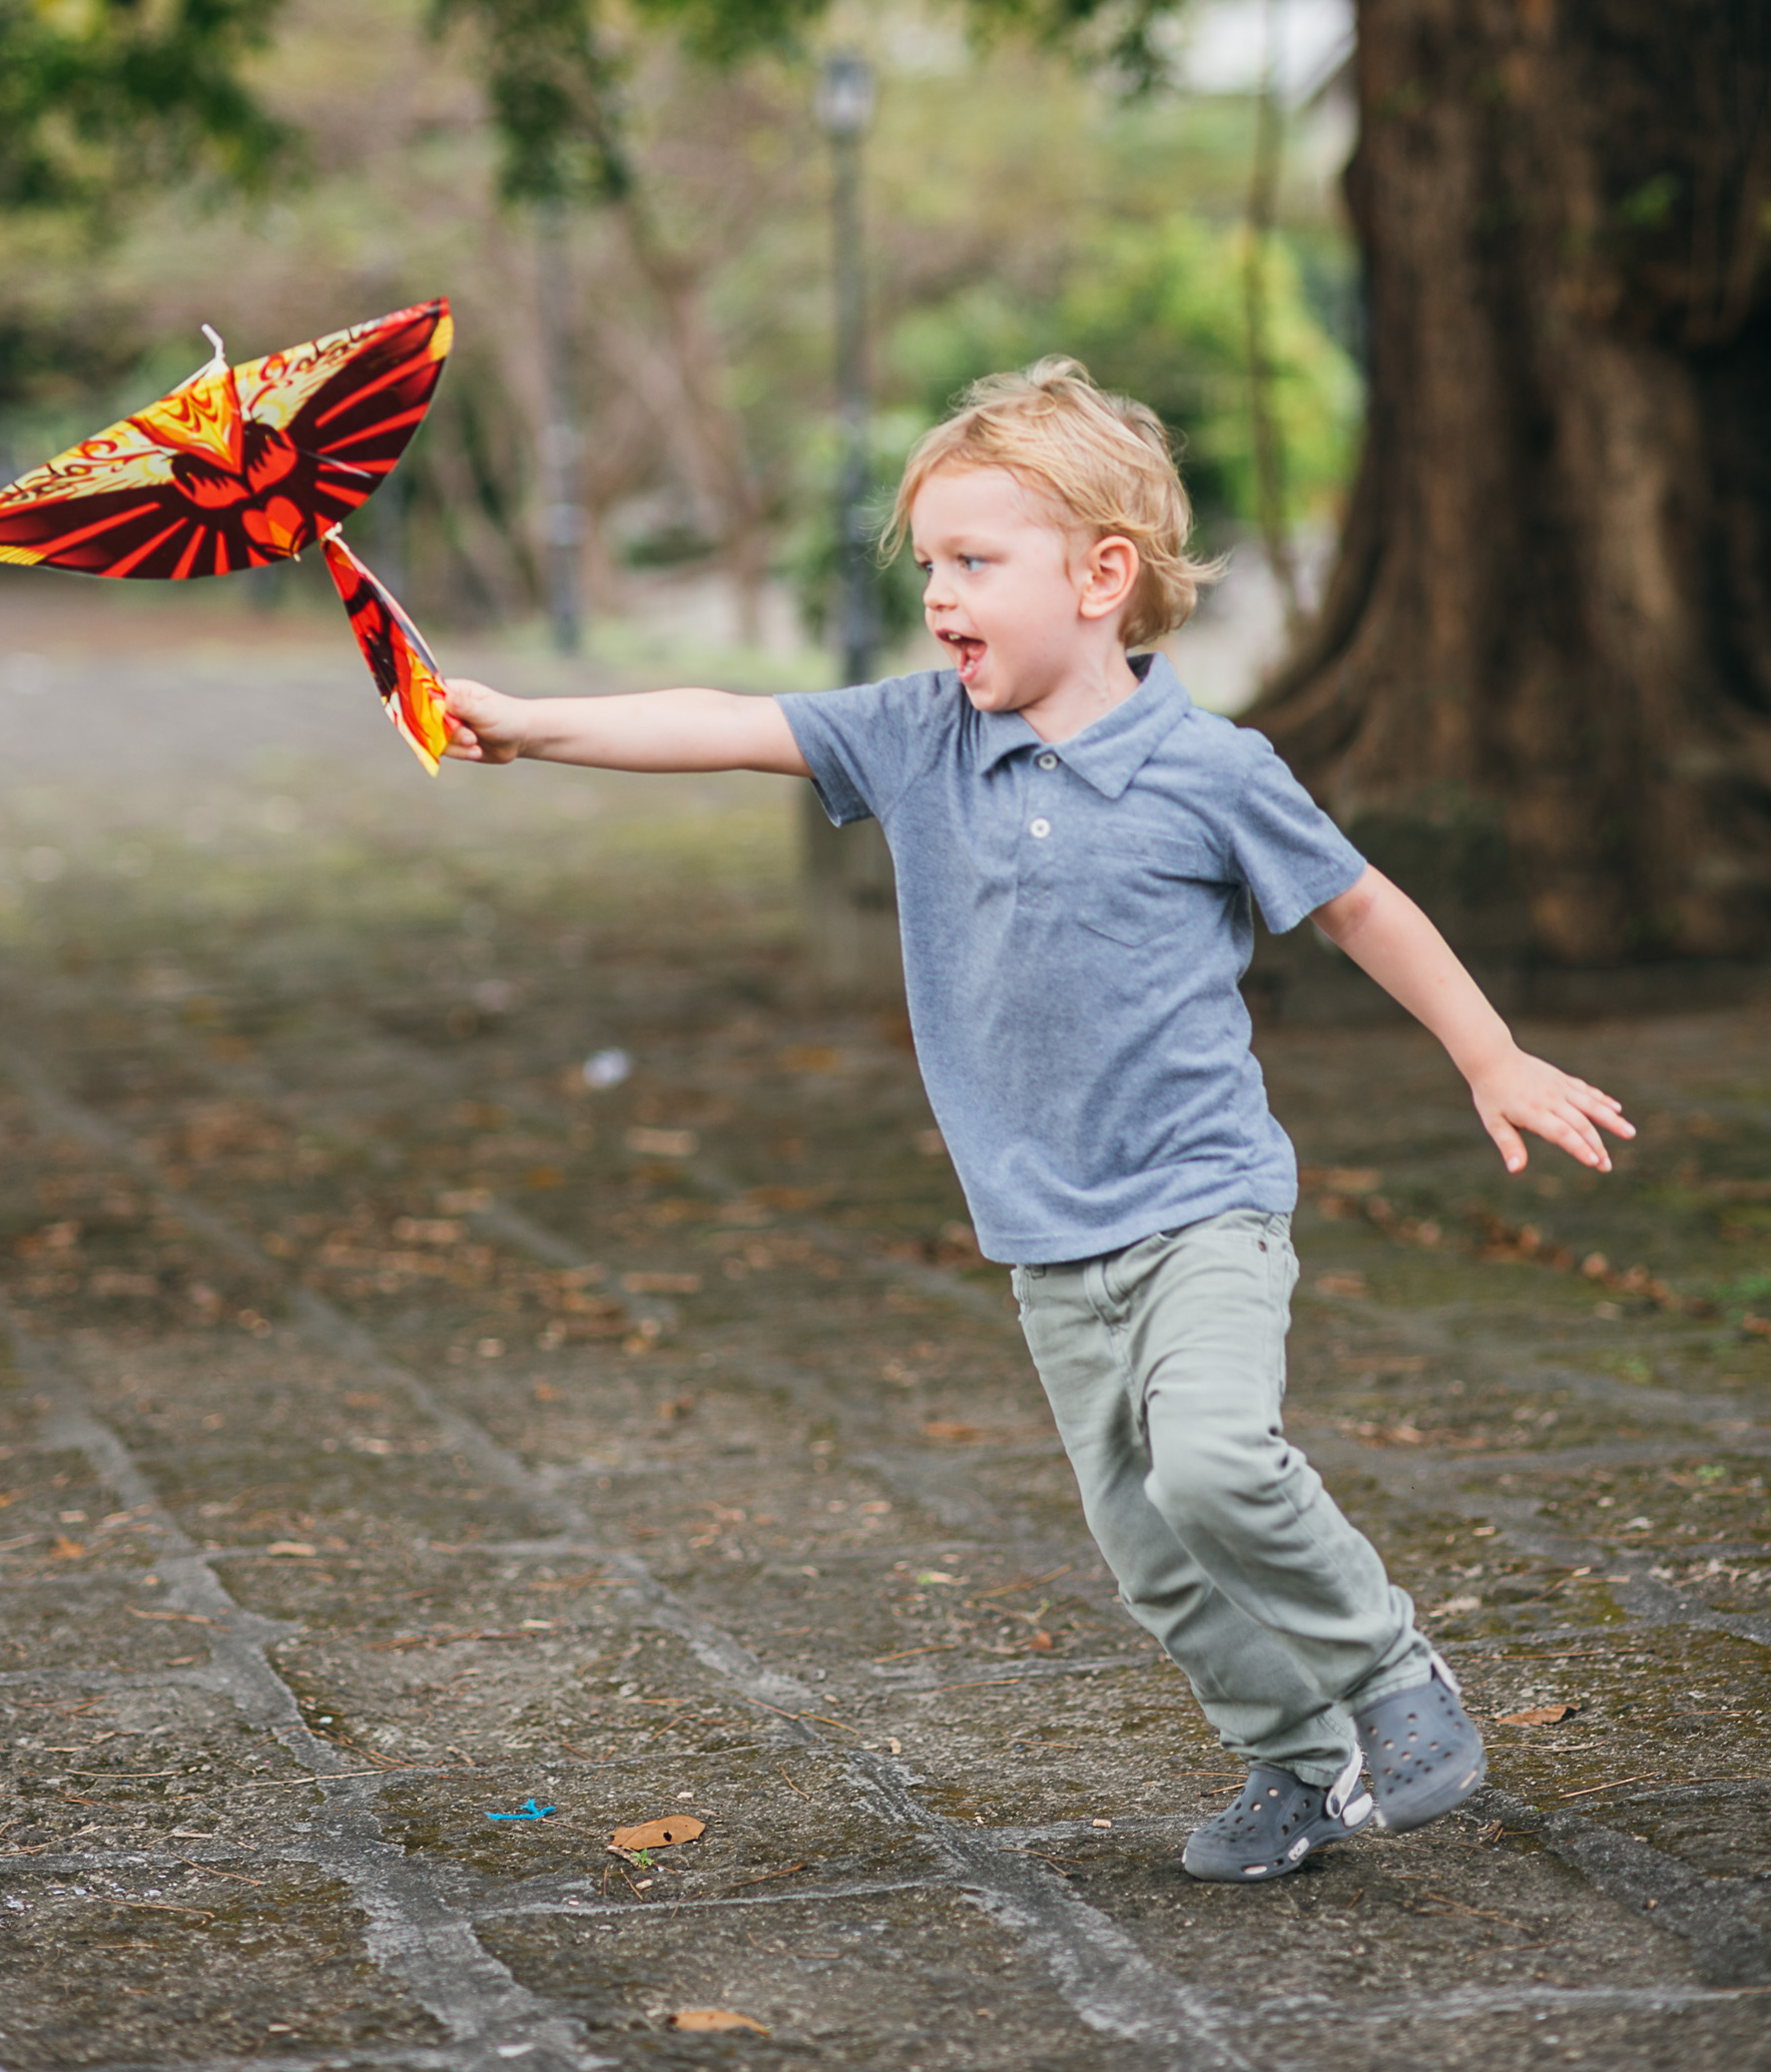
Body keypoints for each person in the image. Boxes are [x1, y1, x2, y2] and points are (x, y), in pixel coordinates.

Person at [443, 358, 1633, 1883]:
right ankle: (1296, 1759)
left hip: (1200, 1202)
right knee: (1150, 1551)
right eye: (928, 562)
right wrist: (532, 724)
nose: (938, 594)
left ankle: (1393, 1675)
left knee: (1212, 1464)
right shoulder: (921, 736)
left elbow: (1358, 905)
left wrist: (1491, 1057)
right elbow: (726, 719)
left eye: (972, 562)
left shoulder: (1210, 770)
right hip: (1048, 1238)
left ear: (1101, 575)